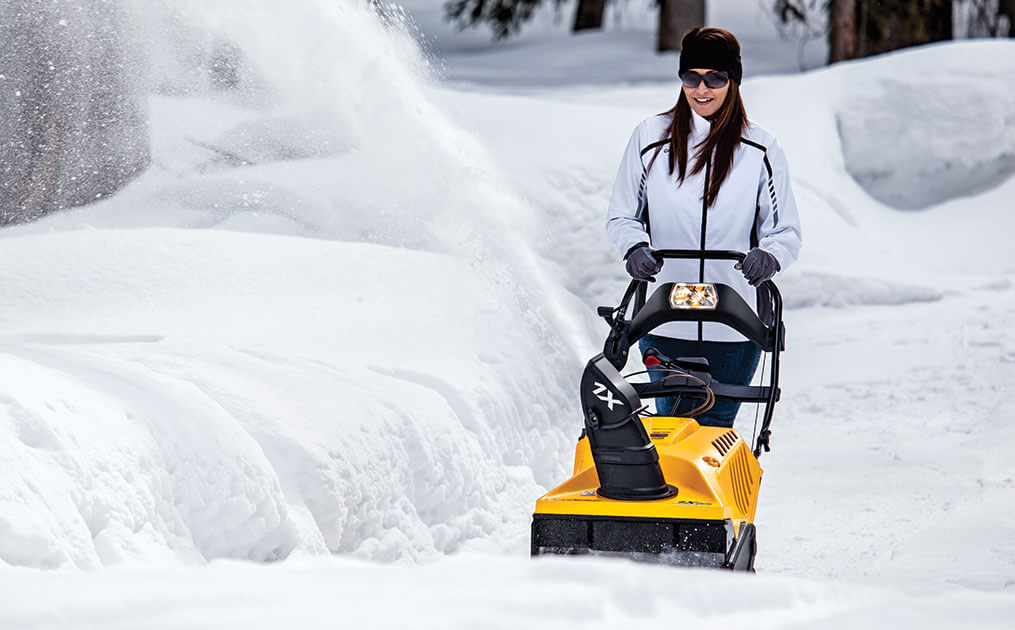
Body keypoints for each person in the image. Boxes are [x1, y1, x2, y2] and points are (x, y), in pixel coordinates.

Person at [605, 27, 802, 427]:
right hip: (664, 317)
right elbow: (622, 215)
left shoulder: (760, 148)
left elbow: (787, 231)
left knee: (712, 431)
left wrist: (770, 256)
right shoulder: (650, 139)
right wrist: (634, 248)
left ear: (733, 81)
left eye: (715, 78)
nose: (702, 89)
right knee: (672, 429)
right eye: (691, 77)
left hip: (735, 325)